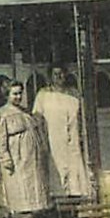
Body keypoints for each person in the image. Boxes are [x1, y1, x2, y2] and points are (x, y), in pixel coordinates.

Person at [0, 80, 50, 216]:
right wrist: (5, 157)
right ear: (7, 95)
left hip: (31, 158)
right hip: (17, 158)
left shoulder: (26, 112)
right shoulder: (1, 114)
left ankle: (36, 215)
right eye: (14, 94)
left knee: (34, 187)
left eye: (20, 93)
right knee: (20, 187)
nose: (18, 97)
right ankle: (21, 216)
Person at [34, 66, 94, 200]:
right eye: (55, 74)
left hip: (72, 137)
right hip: (53, 137)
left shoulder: (73, 93)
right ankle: (58, 197)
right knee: (57, 168)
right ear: (50, 76)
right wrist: (42, 138)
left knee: (74, 167)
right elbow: (37, 118)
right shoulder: (43, 94)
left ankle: (75, 196)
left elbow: (83, 116)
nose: (59, 76)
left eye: (61, 73)